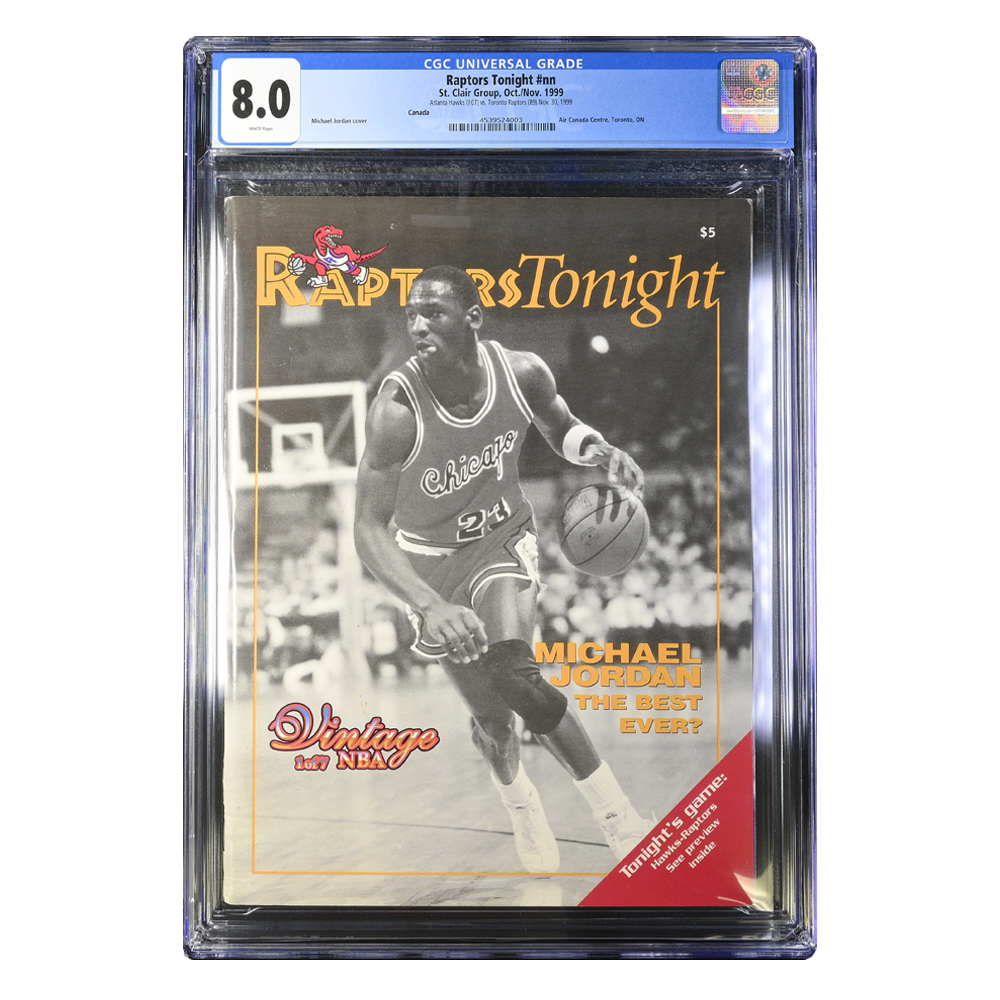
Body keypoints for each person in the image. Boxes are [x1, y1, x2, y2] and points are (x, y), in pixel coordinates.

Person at [354, 266, 651, 872]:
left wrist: (598, 448)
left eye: (433, 313)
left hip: (502, 539)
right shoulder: (396, 409)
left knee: (515, 676)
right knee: (493, 723)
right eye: (411, 315)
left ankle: (620, 820)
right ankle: (521, 805)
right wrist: (430, 605)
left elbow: (560, 426)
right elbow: (367, 529)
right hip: (430, 565)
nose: (418, 326)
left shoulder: (521, 372)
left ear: (472, 318)